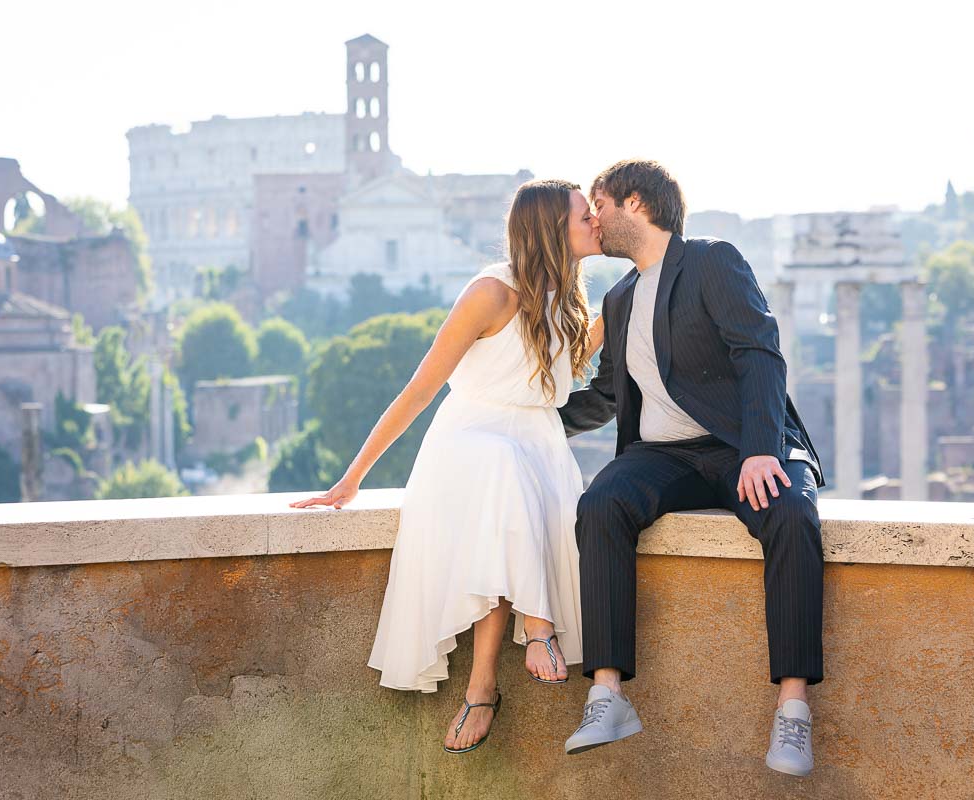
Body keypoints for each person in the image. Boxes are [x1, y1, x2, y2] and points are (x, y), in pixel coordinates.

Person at [290, 179, 605, 754]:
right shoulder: (490, 292)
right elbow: (419, 390)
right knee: (501, 473)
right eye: (586, 215)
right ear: (551, 229)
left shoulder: (572, 297)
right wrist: (351, 478)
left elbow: (556, 373)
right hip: (470, 442)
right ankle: (539, 630)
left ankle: (482, 690)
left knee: (511, 494)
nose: (596, 223)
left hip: (536, 446)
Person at [557, 159, 825, 777]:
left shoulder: (711, 260)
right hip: (662, 457)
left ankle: (793, 709)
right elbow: (606, 395)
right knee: (600, 506)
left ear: (634, 204)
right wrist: (529, 422)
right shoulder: (619, 297)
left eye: (597, 206)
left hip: (741, 445)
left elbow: (759, 352)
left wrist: (762, 447)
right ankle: (607, 695)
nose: (591, 220)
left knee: (789, 516)